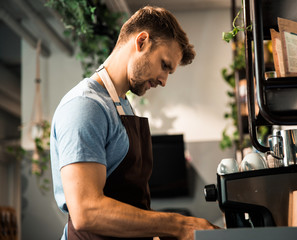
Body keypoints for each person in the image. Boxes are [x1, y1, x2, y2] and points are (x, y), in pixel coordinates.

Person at [50, 5, 219, 240]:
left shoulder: (121, 105)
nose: (164, 80)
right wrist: (179, 225)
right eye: (164, 65)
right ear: (141, 41)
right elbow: (86, 211)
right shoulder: (86, 106)